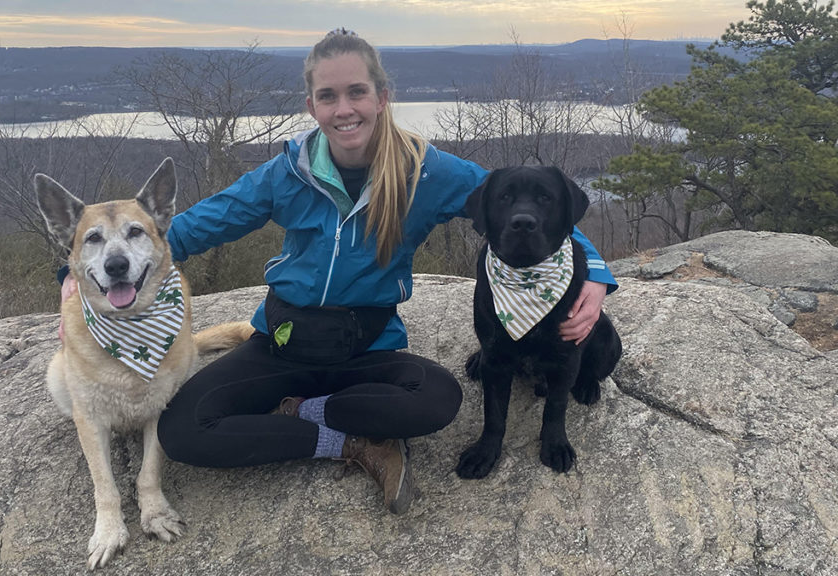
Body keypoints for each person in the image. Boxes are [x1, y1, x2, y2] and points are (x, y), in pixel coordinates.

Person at [59, 28, 616, 515]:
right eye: (329, 96)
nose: (343, 107)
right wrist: (88, 278)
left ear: (382, 98)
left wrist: (592, 269)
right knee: (184, 431)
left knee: (438, 400)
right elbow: (195, 226)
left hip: (367, 348)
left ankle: (299, 416)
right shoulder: (287, 172)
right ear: (312, 106)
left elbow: (521, 201)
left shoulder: (426, 170)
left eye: (357, 92)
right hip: (282, 340)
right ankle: (348, 440)